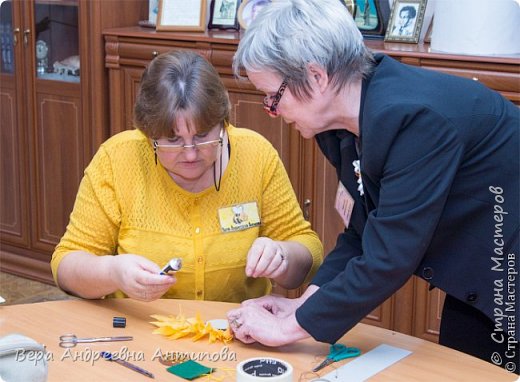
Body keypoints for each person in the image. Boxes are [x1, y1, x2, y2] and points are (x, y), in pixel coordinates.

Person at [227, 0, 519, 372]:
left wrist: (288, 327)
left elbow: (389, 256)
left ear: (316, 77)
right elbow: (364, 229)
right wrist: (304, 306)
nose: (272, 111)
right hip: (482, 278)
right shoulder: (341, 125)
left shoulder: (412, 118)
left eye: (274, 97)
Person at [51, 50, 323, 303]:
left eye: (203, 136)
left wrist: (282, 256)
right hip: (140, 333)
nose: (190, 154)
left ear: (224, 122)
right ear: (147, 133)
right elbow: (65, 266)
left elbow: (308, 251)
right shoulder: (117, 159)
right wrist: (111, 272)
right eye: (172, 139)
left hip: (237, 333)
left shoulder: (256, 154)